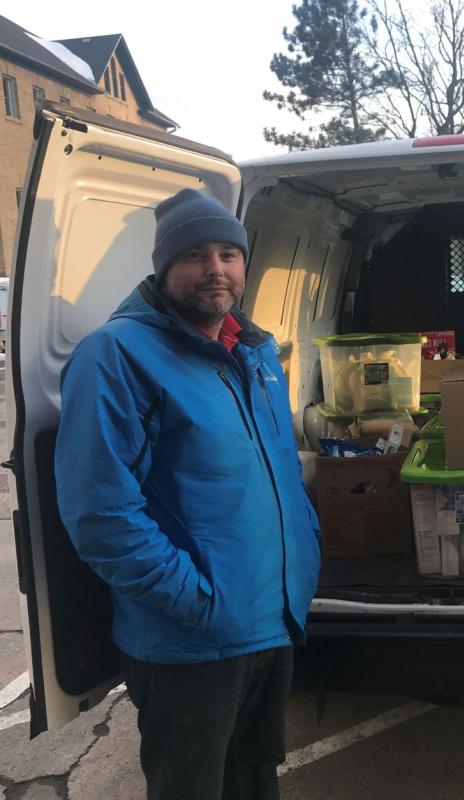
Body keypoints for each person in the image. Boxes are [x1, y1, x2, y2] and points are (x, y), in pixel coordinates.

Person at [54, 188, 321, 800]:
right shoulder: (116, 355)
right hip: (189, 638)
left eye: (229, 253)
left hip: (269, 617)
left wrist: (304, 551)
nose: (215, 270)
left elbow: (278, 468)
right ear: (164, 266)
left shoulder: (254, 351)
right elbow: (100, 513)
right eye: (196, 255)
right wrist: (195, 601)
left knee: (254, 776)